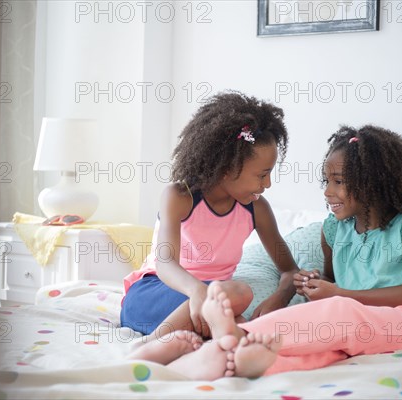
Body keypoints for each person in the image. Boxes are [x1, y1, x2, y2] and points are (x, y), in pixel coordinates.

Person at [129, 124, 402, 379]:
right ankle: (228, 359)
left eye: (337, 182)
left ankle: (234, 336)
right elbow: (334, 285)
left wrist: (338, 293)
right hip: (357, 327)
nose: (327, 191)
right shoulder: (335, 231)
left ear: (373, 183)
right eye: (326, 180)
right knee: (323, 350)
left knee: (337, 314)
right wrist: (318, 287)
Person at [120, 91, 301, 343]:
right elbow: (164, 263)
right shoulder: (179, 196)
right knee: (239, 293)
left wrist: (278, 298)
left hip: (210, 304)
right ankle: (149, 347)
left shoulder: (257, 210)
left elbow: (290, 271)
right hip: (154, 295)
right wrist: (197, 291)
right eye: (262, 175)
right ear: (228, 168)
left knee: (240, 327)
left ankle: (197, 349)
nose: (268, 184)